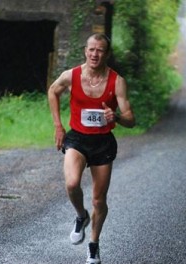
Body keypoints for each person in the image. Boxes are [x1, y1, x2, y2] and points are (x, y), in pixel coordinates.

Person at [48, 33, 135, 264]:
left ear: (107, 54)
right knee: (72, 183)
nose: (95, 54)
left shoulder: (117, 81)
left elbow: (130, 119)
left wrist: (115, 116)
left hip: (103, 142)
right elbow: (52, 91)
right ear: (85, 51)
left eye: (100, 50)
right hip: (77, 138)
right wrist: (58, 126)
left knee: (99, 200)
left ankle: (94, 245)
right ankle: (80, 215)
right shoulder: (71, 75)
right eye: (91, 49)